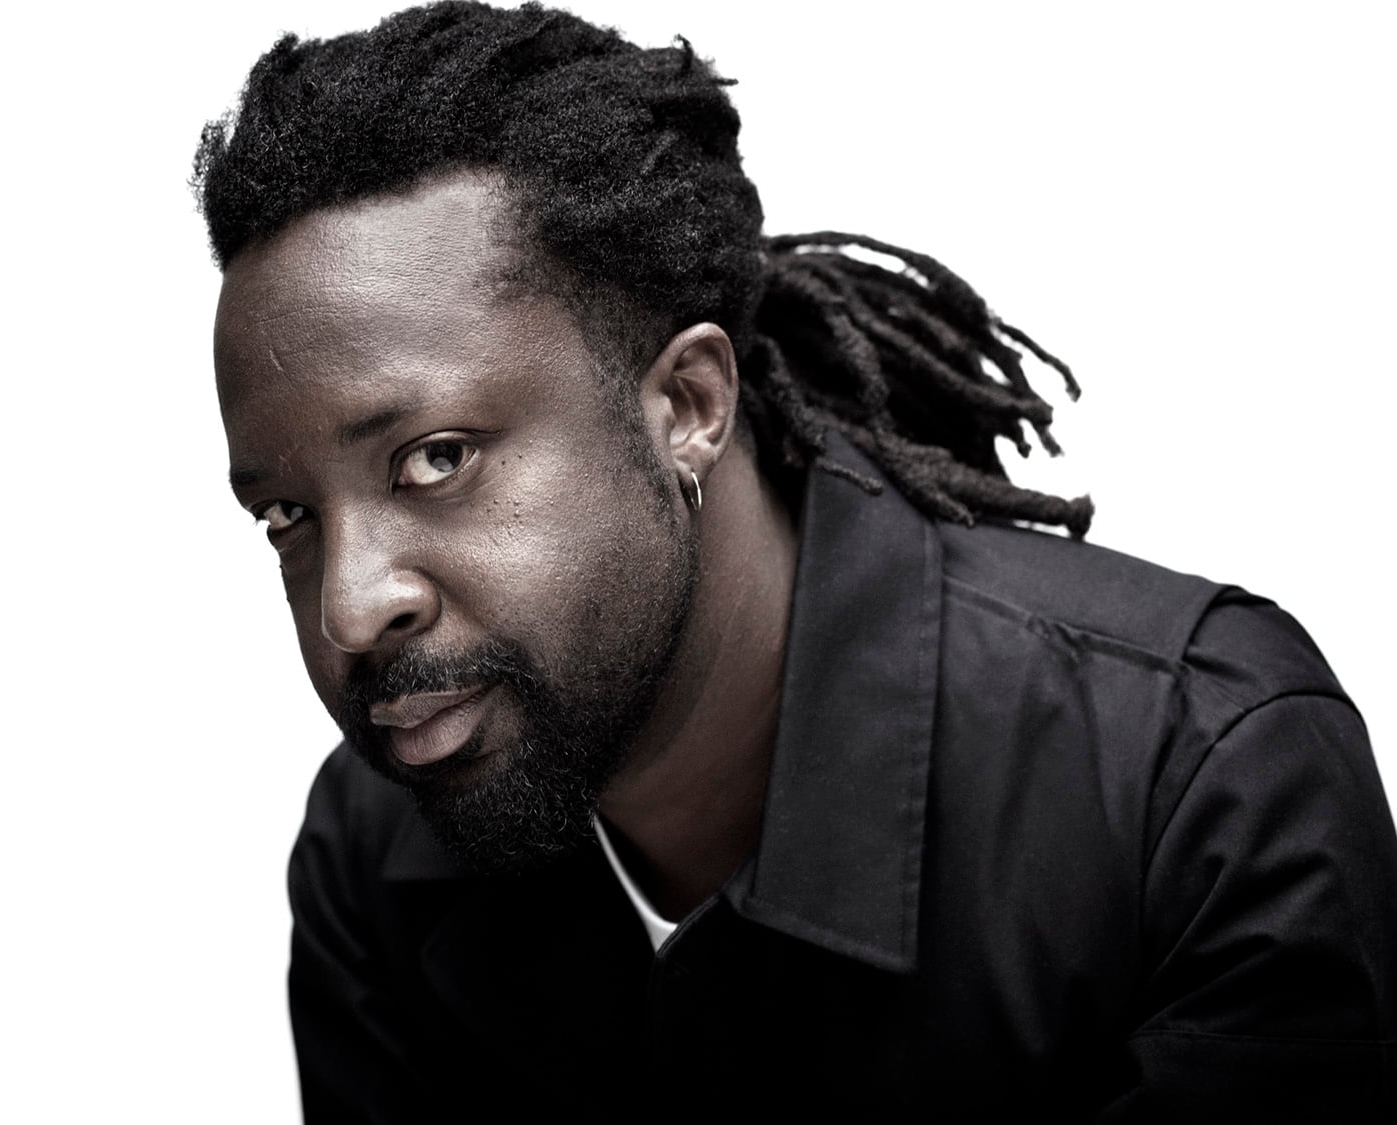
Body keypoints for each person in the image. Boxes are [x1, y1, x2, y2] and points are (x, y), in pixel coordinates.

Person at [195, 2, 1397, 1118]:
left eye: (435, 458)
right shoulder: (378, 845)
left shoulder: (1195, 782)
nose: (349, 610)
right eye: (287, 517)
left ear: (688, 405)